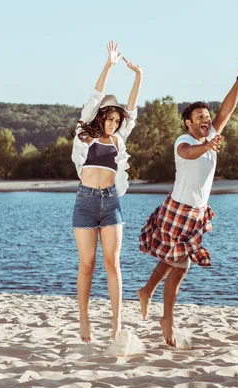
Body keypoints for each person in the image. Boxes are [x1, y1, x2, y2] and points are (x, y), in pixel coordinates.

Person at [137, 60, 238, 346]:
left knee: (173, 259)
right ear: (188, 122)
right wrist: (207, 147)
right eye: (200, 115)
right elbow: (189, 154)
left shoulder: (211, 134)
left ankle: (147, 291)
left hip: (196, 213)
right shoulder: (183, 140)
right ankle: (167, 320)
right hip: (177, 210)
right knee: (181, 265)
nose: (206, 118)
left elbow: (227, 109)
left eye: (207, 115)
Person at [71, 41, 143, 342]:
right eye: (109, 118)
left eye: (116, 119)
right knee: (86, 265)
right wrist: (109, 66)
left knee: (112, 264)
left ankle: (115, 324)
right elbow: (95, 95)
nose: (114, 122)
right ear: (100, 116)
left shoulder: (119, 139)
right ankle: (85, 322)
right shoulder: (84, 133)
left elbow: (132, 109)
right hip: (85, 202)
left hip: (111, 204)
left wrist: (138, 76)